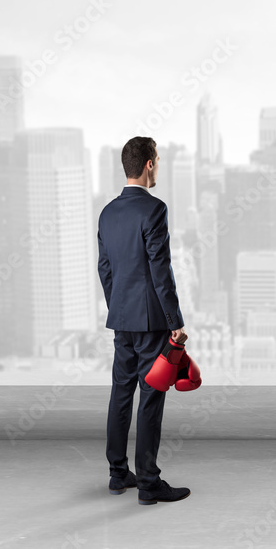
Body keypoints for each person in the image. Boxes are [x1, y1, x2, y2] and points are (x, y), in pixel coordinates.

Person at [97, 136, 191, 505]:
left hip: (122, 319)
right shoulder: (154, 210)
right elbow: (160, 269)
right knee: (152, 396)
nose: (159, 166)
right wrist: (175, 321)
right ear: (149, 163)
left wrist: (118, 305)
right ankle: (149, 483)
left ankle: (118, 474)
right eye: (158, 160)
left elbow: (105, 268)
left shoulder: (107, 213)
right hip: (152, 322)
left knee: (121, 393)